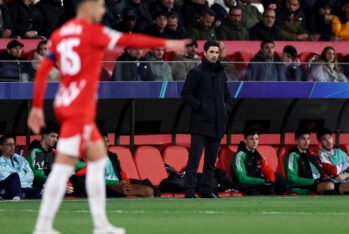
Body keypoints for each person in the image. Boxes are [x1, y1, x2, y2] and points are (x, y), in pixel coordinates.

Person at [27, 1, 188, 234]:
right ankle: (44, 226)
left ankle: (98, 224)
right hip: (78, 107)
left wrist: (37, 107)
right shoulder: (93, 32)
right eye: (100, 5)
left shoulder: (62, 34)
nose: (103, 10)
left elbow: (43, 69)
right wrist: (166, 42)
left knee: (99, 161)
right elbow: (132, 40)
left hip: (67, 103)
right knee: (65, 167)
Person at [182, 40, 232, 199]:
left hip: (217, 124)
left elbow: (227, 96)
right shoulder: (196, 72)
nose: (214, 55)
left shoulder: (221, 73)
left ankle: (205, 188)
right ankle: (189, 190)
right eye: (211, 52)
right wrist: (200, 108)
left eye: (217, 52)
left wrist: (225, 109)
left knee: (211, 161)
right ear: (204, 53)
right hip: (200, 123)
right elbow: (186, 94)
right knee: (194, 159)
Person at [231, 129, 287, 195]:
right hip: (245, 185)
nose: (255, 142)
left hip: (257, 183)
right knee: (258, 191)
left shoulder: (258, 155)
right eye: (251, 139)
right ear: (245, 141)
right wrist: (263, 181)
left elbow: (268, 171)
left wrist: (271, 182)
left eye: (257, 139)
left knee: (279, 180)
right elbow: (241, 178)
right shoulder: (239, 155)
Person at [285, 129, 335, 195]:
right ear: (296, 141)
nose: (306, 142)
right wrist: (313, 181)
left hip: (320, 182)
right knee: (329, 186)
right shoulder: (293, 155)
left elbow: (321, 171)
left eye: (308, 139)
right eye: (303, 139)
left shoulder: (312, 155)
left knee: (344, 186)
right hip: (306, 186)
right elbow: (291, 177)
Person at [0, 135, 41, 200]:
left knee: (41, 192)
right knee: (14, 176)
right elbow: (5, 177)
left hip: (25, 187)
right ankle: (17, 197)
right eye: (9, 145)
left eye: (13, 144)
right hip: (6, 189)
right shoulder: (0, 161)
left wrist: (19, 183)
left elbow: (31, 175)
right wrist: (22, 174)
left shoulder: (21, 159)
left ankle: (21, 194)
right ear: (1, 147)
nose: (12, 147)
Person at [317, 128, 349, 194]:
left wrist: (346, 175)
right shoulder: (322, 154)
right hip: (334, 183)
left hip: (346, 179)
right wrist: (347, 164)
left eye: (329, 138)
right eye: (324, 139)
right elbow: (333, 170)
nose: (328, 141)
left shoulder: (339, 152)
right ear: (320, 143)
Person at [26, 125, 59, 189]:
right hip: (35, 187)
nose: (55, 140)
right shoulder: (37, 151)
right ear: (44, 135)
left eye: (56, 137)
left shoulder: (50, 152)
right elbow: (39, 175)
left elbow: (50, 170)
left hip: (47, 184)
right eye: (52, 136)